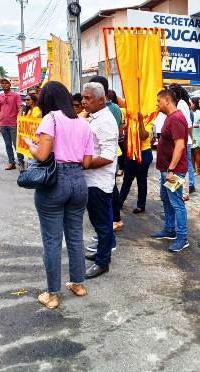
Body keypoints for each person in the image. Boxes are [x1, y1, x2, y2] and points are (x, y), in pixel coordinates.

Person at [25, 81, 94, 309]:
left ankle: (52, 294)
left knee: (52, 240)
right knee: (75, 235)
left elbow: (43, 156)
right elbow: (86, 162)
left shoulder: (51, 119)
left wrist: (30, 145)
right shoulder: (83, 123)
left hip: (55, 183)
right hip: (78, 182)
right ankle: (78, 284)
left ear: (47, 100)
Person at [80, 82, 118, 280]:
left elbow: (108, 156)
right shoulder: (95, 117)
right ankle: (101, 252)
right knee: (98, 222)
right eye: (83, 97)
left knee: (102, 224)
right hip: (91, 180)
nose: (83, 101)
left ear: (101, 100)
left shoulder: (105, 122)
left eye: (88, 98)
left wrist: (83, 164)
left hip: (98, 182)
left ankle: (103, 262)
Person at [151, 88, 190, 253]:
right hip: (166, 169)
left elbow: (180, 145)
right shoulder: (170, 117)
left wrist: (171, 170)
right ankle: (169, 229)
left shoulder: (176, 118)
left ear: (167, 100)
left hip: (174, 171)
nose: (157, 104)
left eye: (159, 101)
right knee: (166, 199)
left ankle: (182, 238)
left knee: (176, 203)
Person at [115, 111, 153, 215]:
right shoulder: (130, 120)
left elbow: (143, 136)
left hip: (144, 153)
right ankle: (119, 202)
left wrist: (141, 121)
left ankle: (141, 205)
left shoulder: (147, 121)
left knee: (141, 180)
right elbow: (126, 138)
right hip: (132, 154)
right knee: (127, 179)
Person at [168, 84, 195, 198]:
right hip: (181, 140)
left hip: (184, 141)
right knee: (180, 166)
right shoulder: (178, 104)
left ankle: (185, 191)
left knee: (184, 167)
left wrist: (190, 137)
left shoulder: (181, 104)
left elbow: (188, 123)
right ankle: (177, 189)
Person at [0, 78, 23, 171]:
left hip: (13, 124)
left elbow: (20, 108)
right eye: (2, 83)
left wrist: (18, 119)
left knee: (16, 144)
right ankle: (11, 162)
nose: (4, 85)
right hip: (3, 124)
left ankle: (21, 163)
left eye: (6, 83)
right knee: (7, 144)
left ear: (10, 85)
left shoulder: (15, 95)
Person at [190, 97, 200, 175]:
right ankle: (193, 169)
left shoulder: (199, 113)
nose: (190, 104)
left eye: (191, 103)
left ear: (194, 104)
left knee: (197, 152)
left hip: (197, 135)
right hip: (191, 135)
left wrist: (192, 125)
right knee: (192, 152)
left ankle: (198, 170)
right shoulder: (190, 112)